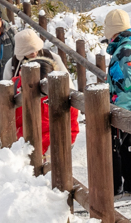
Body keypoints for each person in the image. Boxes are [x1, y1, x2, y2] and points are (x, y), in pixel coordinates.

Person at [10, 28, 80, 158]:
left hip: (51, 134)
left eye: (35, 49)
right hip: (24, 140)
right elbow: (8, 90)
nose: (33, 53)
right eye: (28, 51)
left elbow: (67, 83)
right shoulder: (13, 64)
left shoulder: (53, 57)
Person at [102, 7, 131, 196]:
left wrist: (117, 115)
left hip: (126, 108)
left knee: (118, 148)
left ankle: (115, 187)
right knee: (127, 146)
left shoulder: (124, 52)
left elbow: (127, 87)